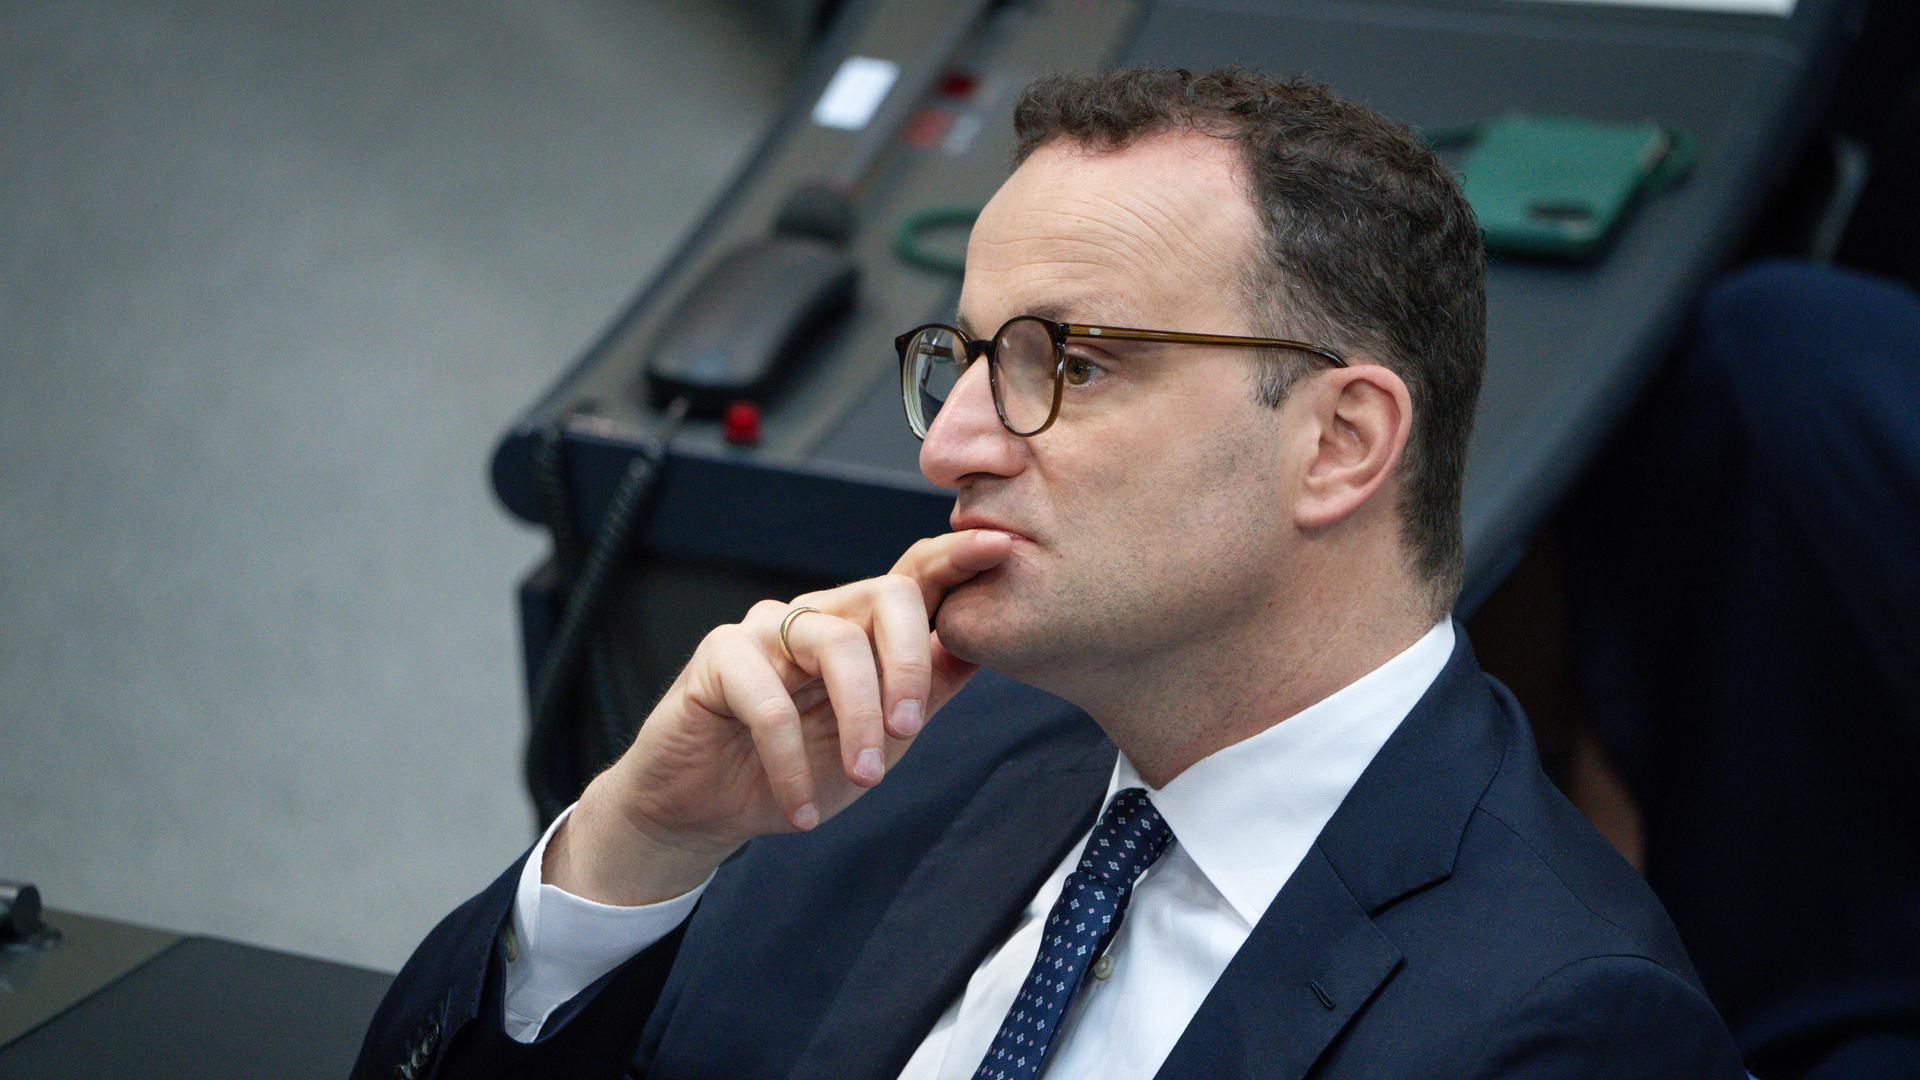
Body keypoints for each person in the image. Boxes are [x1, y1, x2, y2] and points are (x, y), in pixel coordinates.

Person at [355, 68, 1745, 1079]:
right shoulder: (918, 753)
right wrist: (634, 849)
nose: (950, 445)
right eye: (959, 362)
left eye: (1066, 365)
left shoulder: (1563, 1022)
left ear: (1340, 443)